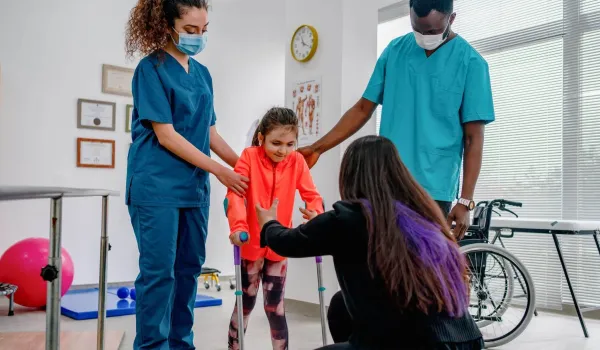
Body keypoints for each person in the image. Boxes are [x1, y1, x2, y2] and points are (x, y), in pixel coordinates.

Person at [298, 1, 494, 342]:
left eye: (432, 30)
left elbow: (474, 137)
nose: (424, 36)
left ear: (452, 19)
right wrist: (318, 147)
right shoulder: (395, 51)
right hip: (383, 184)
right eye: (418, 29)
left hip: (431, 190)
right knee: (380, 270)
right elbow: (362, 108)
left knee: (423, 278)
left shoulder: (472, 63)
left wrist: (466, 199)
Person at [256, 135, 484, 350]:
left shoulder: (348, 217)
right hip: (466, 340)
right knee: (340, 305)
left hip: (419, 343)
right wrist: (322, 225)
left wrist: (269, 223)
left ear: (350, 174)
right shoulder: (419, 214)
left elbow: (286, 242)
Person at [124, 1, 248, 349]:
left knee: (189, 271)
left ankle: (181, 344)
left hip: (193, 188)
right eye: (190, 30)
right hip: (156, 186)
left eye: (203, 30)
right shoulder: (151, 69)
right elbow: (167, 135)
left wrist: (246, 167)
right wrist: (221, 171)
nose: (198, 37)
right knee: (159, 275)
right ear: (167, 25)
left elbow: (209, 133)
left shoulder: (203, 74)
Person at [225, 107, 324, 350]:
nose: (283, 150)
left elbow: (312, 195)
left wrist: (316, 215)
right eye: (276, 143)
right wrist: (237, 227)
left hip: (279, 243)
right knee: (244, 305)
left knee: (275, 308)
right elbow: (234, 195)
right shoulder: (248, 157)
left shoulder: (297, 161)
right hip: (250, 243)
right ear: (261, 138)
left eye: (290, 144)